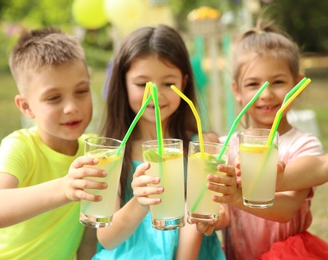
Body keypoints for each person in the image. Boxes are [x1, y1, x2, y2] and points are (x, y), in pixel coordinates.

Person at [92, 24, 228, 260]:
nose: (155, 93)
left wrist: (214, 217)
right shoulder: (110, 153)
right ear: (122, 83)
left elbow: (222, 213)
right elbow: (107, 237)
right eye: (142, 84)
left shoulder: (201, 147)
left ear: (184, 83)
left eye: (168, 83)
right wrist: (140, 202)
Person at [202, 19, 328, 259]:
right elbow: (222, 212)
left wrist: (239, 195)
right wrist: (212, 218)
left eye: (278, 82)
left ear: (298, 85)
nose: (266, 94)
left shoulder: (303, 145)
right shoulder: (225, 147)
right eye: (253, 84)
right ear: (237, 91)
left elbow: (287, 210)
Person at [0, 27, 107, 259]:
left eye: (81, 91)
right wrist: (65, 187)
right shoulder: (20, 146)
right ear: (26, 107)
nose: (72, 107)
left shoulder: (94, 150)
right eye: (53, 98)